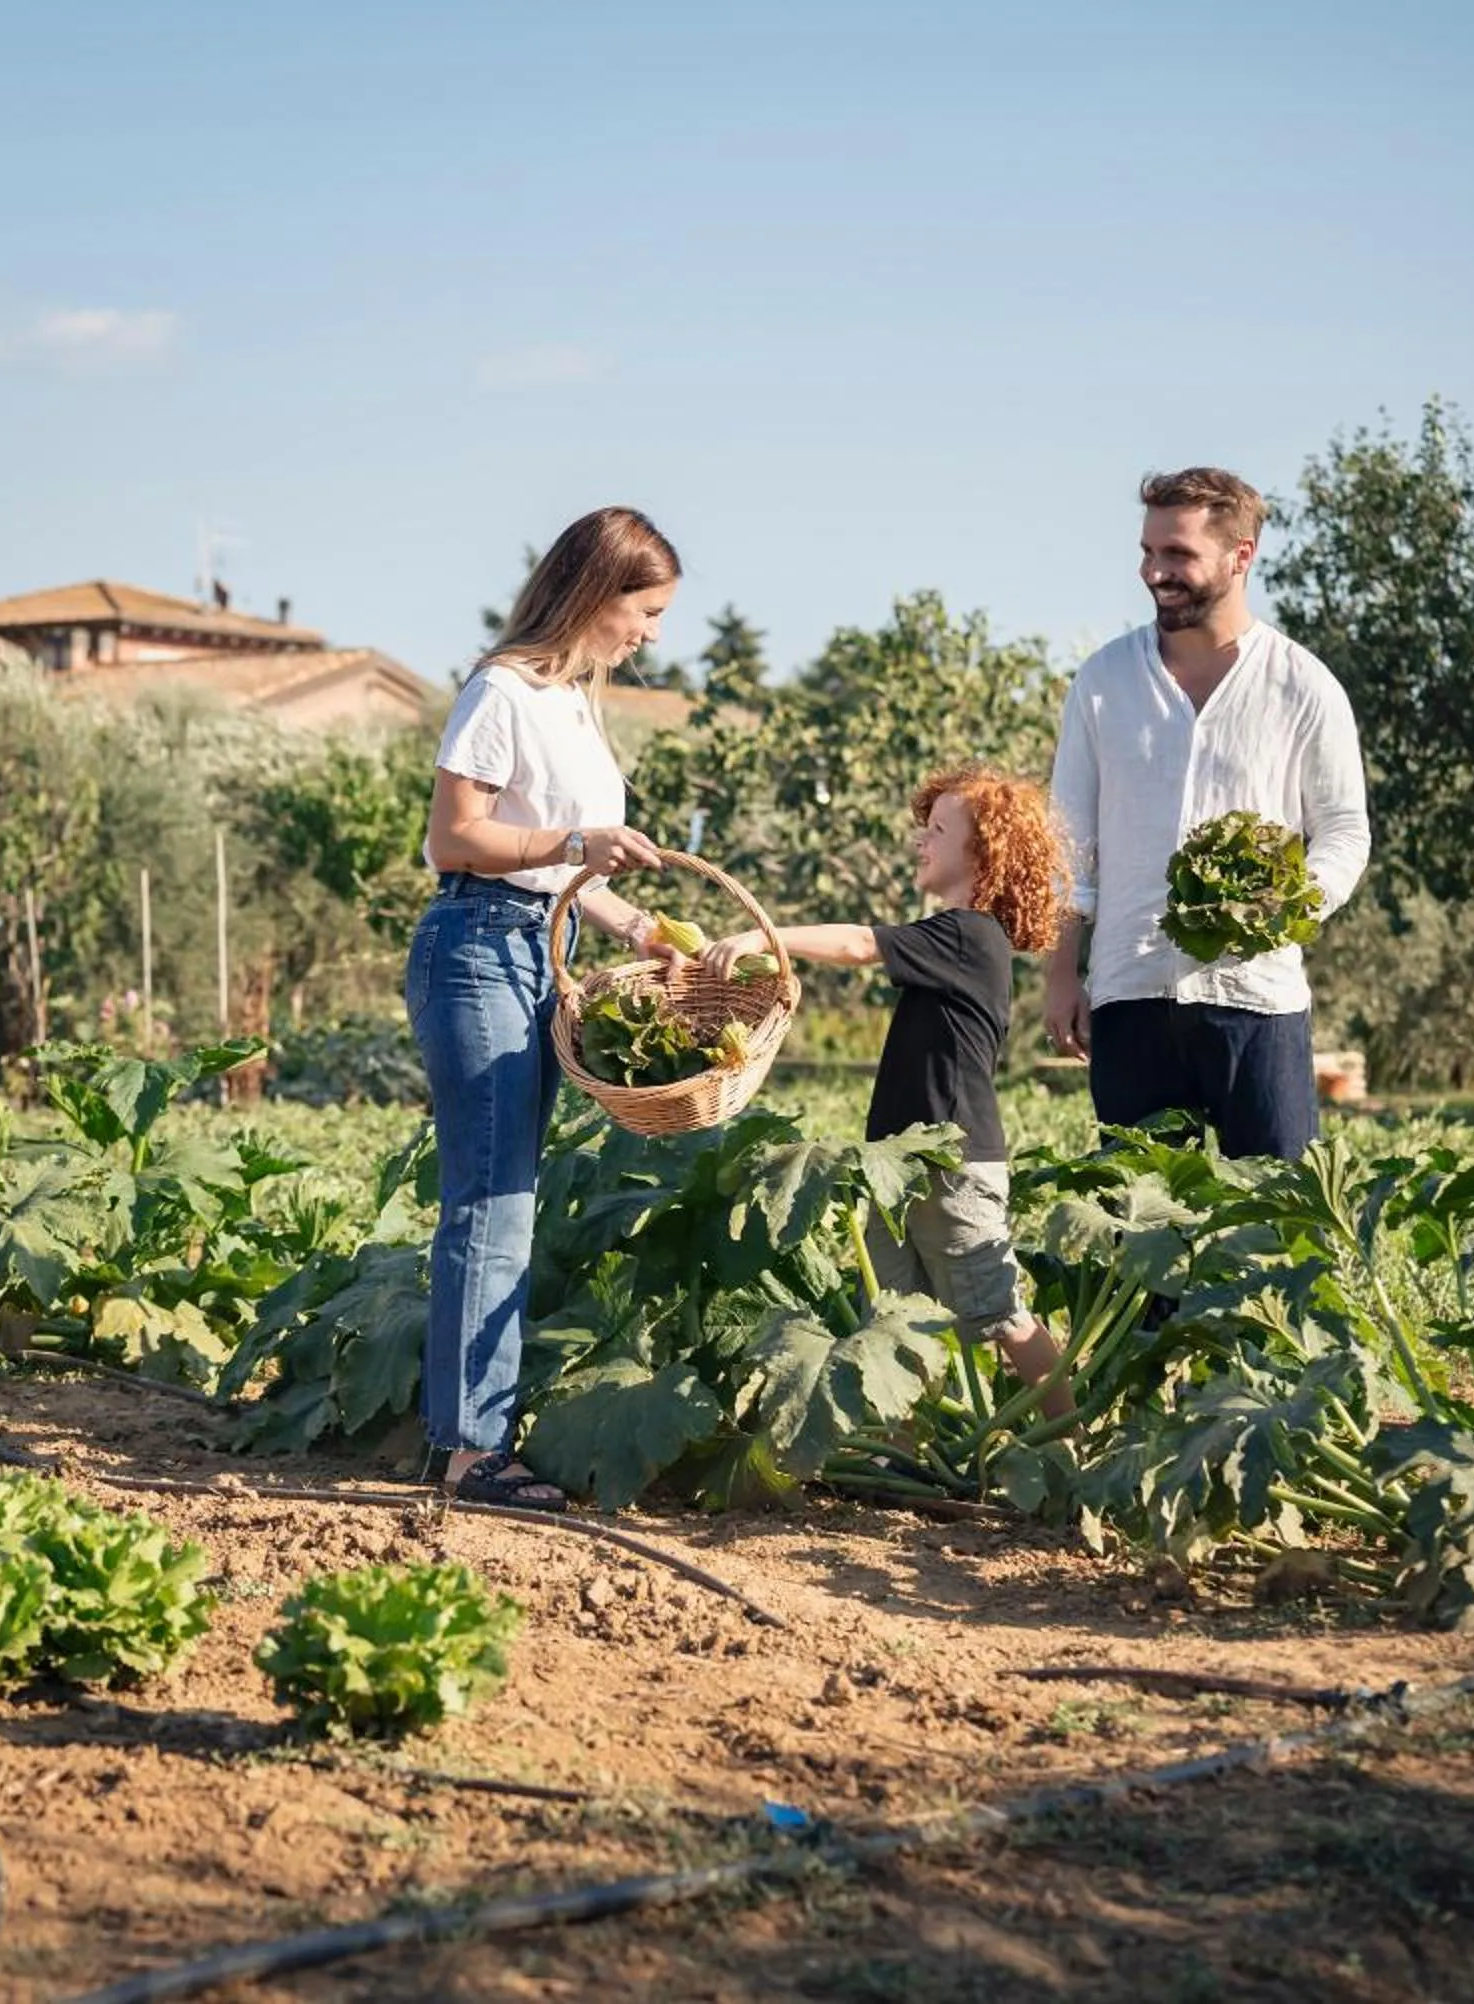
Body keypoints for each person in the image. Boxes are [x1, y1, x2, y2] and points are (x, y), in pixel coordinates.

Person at [410, 506, 686, 1511]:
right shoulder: (503, 691)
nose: (650, 633)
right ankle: (473, 1454)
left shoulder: (570, 702)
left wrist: (637, 927)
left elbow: (569, 863)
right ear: (594, 592)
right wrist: (575, 843)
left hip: (541, 944)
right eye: (644, 610)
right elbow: (457, 840)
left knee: (505, 1193)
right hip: (477, 947)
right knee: (493, 1200)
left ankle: (466, 1436)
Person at [702, 764, 1075, 1416]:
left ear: (983, 852)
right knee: (896, 1322)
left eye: (937, 829)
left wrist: (764, 936)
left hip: (951, 1163)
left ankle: (1072, 1442)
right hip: (900, 1163)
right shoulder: (953, 938)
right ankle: (902, 1452)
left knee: (997, 1311)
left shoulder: (968, 934)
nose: (919, 841)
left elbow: (854, 942)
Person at [1041, 468, 1370, 1159]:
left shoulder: (1303, 686)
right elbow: (1068, 842)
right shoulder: (1104, 682)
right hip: (1129, 993)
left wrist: (1292, 903)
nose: (1155, 571)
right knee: (1142, 1229)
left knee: (1280, 1226)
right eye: (1148, 552)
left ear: (1240, 556)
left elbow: (1343, 829)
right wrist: (1062, 974)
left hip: (1259, 996)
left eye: (1178, 554)